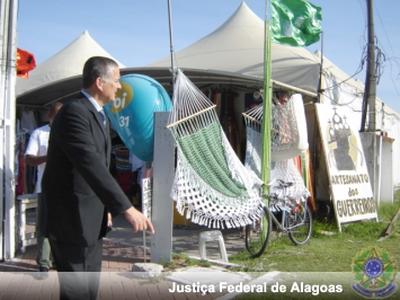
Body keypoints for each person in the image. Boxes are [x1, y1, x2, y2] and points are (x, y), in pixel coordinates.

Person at [42, 56, 154, 300]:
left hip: (91, 221)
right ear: (99, 82)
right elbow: (90, 164)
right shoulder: (74, 112)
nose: (119, 87)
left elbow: (103, 165)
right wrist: (126, 207)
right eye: (116, 81)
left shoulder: (100, 115)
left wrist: (107, 208)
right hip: (72, 220)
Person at [24, 101, 63, 272]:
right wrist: (47, 157)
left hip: (67, 189)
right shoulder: (39, 133)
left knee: (62, 226)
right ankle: (44, 262)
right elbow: (29, 159)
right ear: (50, 116)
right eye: (56, 116)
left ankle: (58, 260)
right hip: (45, 187)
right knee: (45, 226)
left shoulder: (70, 132)